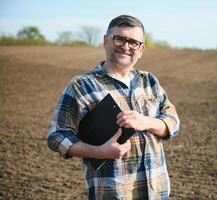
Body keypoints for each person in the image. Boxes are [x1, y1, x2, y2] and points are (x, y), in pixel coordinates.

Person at [47, 15, 180, 200]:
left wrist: (146, 122)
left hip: (157, 193)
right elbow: (56, 136)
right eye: (120, 39)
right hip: (113, 194)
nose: (126, 46)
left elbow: (173, 121)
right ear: (106, 41)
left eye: (133, 42)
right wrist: (99, 152)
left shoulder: (149, 81)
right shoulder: (81, 85)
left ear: (141, 49)